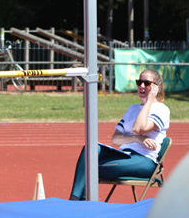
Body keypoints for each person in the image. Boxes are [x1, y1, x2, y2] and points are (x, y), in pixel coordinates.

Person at [69, 68, 170, 200]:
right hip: (124, 156)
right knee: (90, 150)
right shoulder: (132, 108)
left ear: (156, 87)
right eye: (139, 82)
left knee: (89, 167)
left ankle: (77, 203)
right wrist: (137, 139)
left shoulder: (161, 109)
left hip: (145, 160)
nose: (142, 86)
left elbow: (138, 128)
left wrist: (150, 100)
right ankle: (77, 202)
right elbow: (115, 139)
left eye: (147, 83)